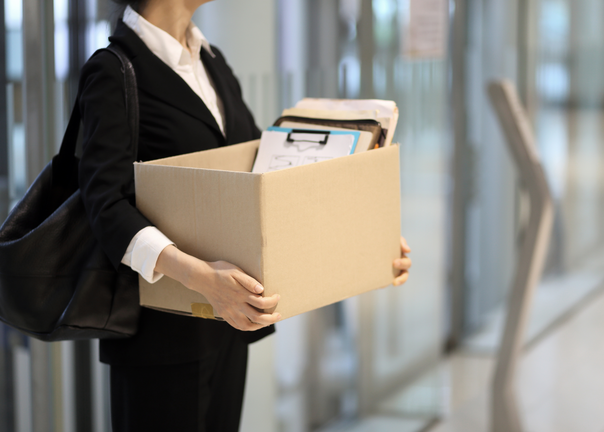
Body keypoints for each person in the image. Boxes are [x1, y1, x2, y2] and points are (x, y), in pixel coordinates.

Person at [77, 0, 412, 430]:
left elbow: (266, 177)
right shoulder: (113, 70)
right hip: (160, 334)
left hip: (229, 320)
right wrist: (202, 279)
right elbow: (104, 206)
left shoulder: (210, 63)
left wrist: (369, 241)